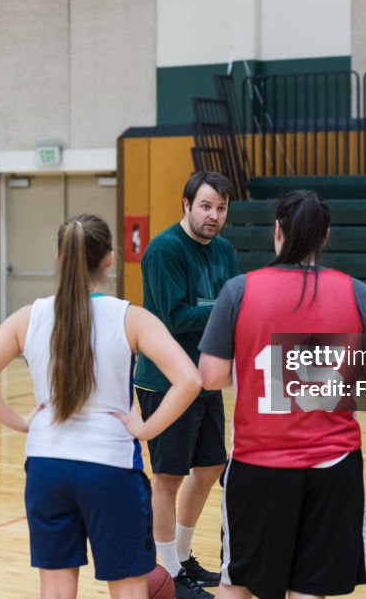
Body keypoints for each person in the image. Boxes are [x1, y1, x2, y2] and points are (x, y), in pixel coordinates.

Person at [0, 214, 202, 599]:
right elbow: (190, 380)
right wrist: (146, 430)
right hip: (110, 467)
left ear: (59, 258)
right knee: (127, 588)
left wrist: (23, 424)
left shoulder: (29, 316)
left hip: (46, 465)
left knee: (55, 591)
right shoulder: (131, 317)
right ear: (109, 258)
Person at [198, 190, 366, 599]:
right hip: (334, 466)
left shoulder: (238, 290)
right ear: (326, 236)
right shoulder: (357, 293)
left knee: (239, 583)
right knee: (309, 589)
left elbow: (210, 377)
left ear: (277, 231)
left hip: (259, 463)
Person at [134, 171, 239, 596]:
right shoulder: (164, 250)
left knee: (212, 466)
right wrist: (228, 308)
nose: (213, 216)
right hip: (165, 381)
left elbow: (229, 307)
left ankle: (181, 554)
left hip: (206, 378)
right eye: (206, 206)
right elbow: (174, 316)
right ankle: (169, 571)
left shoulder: (225, 250)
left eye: (221, 208)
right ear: (186, 204)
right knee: (168, 476)